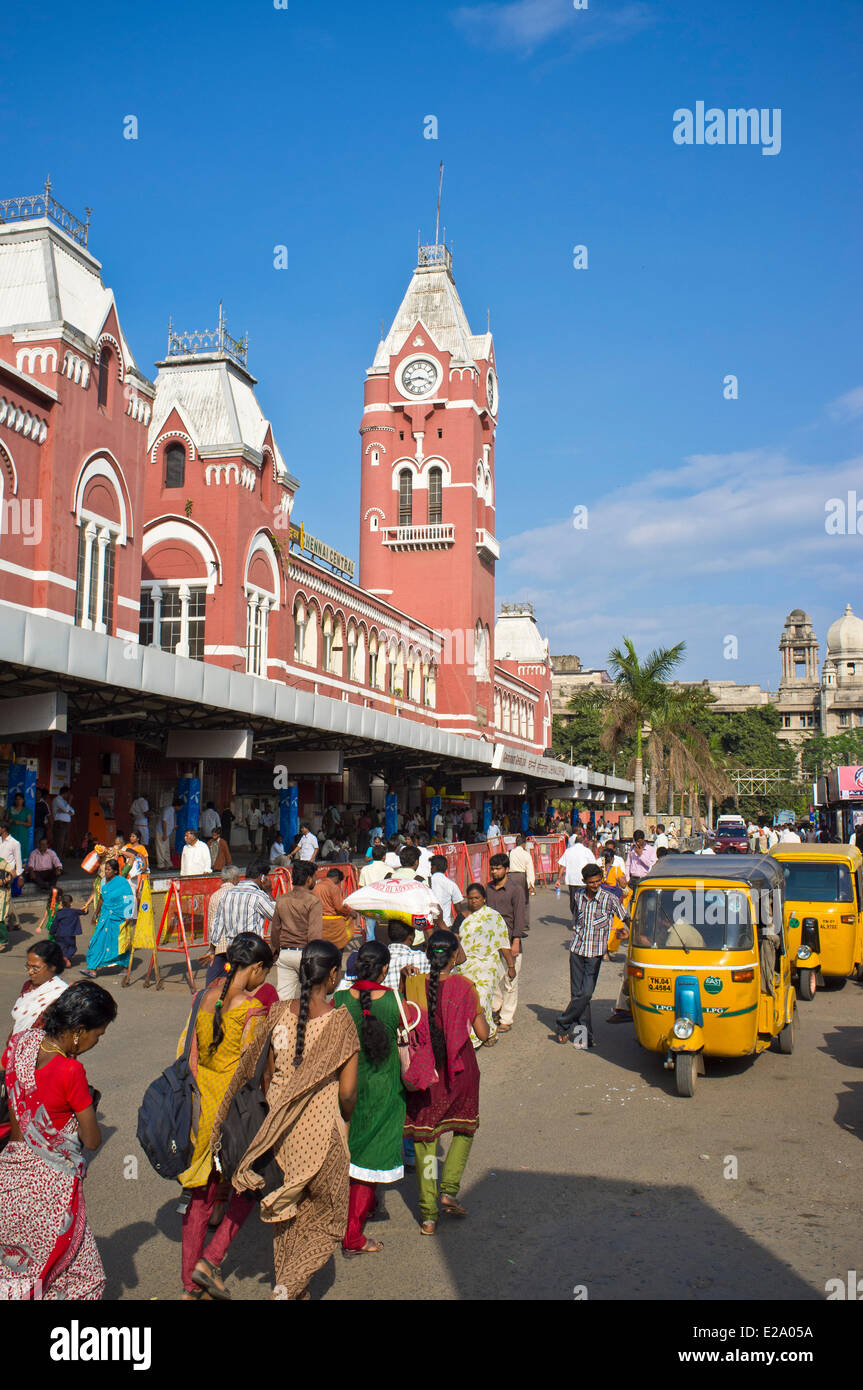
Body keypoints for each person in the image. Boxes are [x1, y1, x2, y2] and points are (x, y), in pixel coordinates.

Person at [215, 940, 359, 1300]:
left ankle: (295, 1289)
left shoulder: (277, 1013)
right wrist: (348, 1119)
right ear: (334, 976)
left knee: (288, 1216)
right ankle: (287, 1288)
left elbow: (262, 1074)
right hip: (322, 1132)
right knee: (329, 1220)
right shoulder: (341, 1022)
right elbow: (347, 1093)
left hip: (277, 1134)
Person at [0, 980, 117, 1299]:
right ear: (79, 1030)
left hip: (10, 1182)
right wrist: (85, 1104)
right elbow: (91, 1140)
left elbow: (14, 1109)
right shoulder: (70, 1072)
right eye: (98, 1034)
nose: (96, 1041)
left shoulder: (21, 1043)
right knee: (85, 1282)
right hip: (48, 1195)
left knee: (18, 1277)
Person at [175, 933, 274, 1300]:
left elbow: (189, 1053)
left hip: (200, 1105)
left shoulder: (203, 997)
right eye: (266, 972)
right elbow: (253, 1070)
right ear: (257, 968)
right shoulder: (252, 1009)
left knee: (199, 1196)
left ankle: (189, 1284)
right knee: (248, 1186)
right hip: (231, 1112)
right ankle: (211, 1259)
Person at [404, 929, 489, 1234]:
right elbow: (483, 1034)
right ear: (453, 955)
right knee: (464, 1128)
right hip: (460, 1071)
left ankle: (428, 1216)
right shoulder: (465, 987)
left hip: (425, 1073)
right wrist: (478, 1013)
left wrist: (407, 980)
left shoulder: (413, 984)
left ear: (429, 955)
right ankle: (449, 1189)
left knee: (425, 1140)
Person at [333, 940, 405, 1256]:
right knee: (368, 1161)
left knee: (350, 1155)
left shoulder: (338, 1000)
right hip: (384, 1089)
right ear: (386, 968)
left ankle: (354, 1216)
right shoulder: (393, 1002)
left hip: (343, 1088)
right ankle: (353, 1237)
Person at [555, 864, 630, 1048]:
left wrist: (628, 931)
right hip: (577, 950)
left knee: (586, 993)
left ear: (601, 880)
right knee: (578, 994)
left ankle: (564, 1023)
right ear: (584, 882)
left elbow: (626, 917)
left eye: (598, 881)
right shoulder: (578, 896)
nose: (595, 885)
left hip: (595, 954)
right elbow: (577, 917)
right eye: (591, 882)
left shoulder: (609, 899)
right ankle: (583, 1038)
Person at [455, 883, 513, 1048]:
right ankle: (471, 1032)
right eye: (470, 898)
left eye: (477, 898)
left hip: (487, 964)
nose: (473, 901)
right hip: (465, 965)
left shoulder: (493, 917)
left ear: (484, 899)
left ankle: (484, 1033)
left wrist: (510, 965)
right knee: (466, 999)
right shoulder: (462, 917)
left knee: (482, 997)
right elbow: (455, 940)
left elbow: (503, 941)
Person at [270, 860, 325, 1000]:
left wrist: (275, 951)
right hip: (305, 954)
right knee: (310, 999)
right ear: (308, 879)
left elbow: (275, 929)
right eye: (314, 877)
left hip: (285, 954)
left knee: (283, 999)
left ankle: (281, 1022)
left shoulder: (282, 899)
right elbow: (314, 935)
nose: (315, 880)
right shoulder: (313, 901)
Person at [487, 853, 527, 1034]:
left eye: (498, 868)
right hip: (490, 942)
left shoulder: (515, 889)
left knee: (511, 980)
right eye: (492, 868)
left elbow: (520, 916)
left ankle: (506, 1018)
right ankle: (495, 1008)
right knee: (494, 979)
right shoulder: (487, 889)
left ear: (506, 870)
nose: (494, 872)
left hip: (511, 939)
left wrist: (516, 941)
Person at [80, 858, 136, 978]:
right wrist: (96, 914)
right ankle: (92, 968)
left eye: (109, 869)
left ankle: (125, 967)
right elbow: (101, 898)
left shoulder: (122, 882)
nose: (106, 871)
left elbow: (129, 898)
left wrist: (128, 915)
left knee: (119, 942)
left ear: (115, 871)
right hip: (105, 916)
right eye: (105, 869)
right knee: (97, 940)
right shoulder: (103, 881)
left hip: (119, 917)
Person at [9, 940, 69, 1037]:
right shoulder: (28, 986)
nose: (30, 972)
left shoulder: (62, 995)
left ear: (52, 967)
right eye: (28, 967)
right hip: (16, 1045)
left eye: (36, 968)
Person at [200, 866, 244, 984]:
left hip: (219, 948)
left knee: (212, 984)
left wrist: (211, 950)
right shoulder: (240, 895)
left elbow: (211, 925)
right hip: (237, 947)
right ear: (235, 879)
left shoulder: (214, 896)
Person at [314, 869, 359, 952]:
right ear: (337, 878)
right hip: (332, 922)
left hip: (318, 921)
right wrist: (350, 913)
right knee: (337, 947)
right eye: (339, 881)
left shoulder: (316, 886)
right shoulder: (333, 887)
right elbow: (339, 908)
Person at [558, 836, 599, 913]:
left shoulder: (568, 851)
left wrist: (558, 879)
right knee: (584, 899)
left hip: (572, 880)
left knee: (573, 900)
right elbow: (593, 865)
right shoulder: (587, 851)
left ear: (574, 842)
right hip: (584, 879)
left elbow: (562, 866)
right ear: (583, 842)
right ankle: (581, 916)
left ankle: (575, 917)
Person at [430, 854, 467, 929]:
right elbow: (458, 909)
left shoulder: (427, 881)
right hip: (446, 925)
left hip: (429, 925)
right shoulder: (451, 884)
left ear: (434, 867)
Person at [51, 894, 86, 967]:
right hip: (70, 934)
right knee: (72, 948)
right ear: (71, 903)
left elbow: (55, 924)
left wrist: (52, 931)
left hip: (59, 934)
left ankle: (62, 959)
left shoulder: (59, 913)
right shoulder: (73, 911)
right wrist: (86, 909)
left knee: (62, 948)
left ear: (62, 903)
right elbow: (83, 912)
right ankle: (66, 958)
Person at [155, 798, 182, 870]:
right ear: (178, 806)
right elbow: (164, 821)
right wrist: (164, 834)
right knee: (161, 849)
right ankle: (161, 865)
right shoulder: (169, 810)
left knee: (166, 849)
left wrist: (172, 827)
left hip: (166, 832)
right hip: (162, 832)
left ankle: (168, 864)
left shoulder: (171, 810)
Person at [51, 786, 74, 859]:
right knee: (59, 843)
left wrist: (66, 810)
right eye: (68, 794)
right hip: (60, 824)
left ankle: (60, 860)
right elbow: (66, 809)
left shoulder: (64, 801)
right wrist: (69, 802)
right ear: (65, 793)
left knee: (64, 843)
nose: (69, 795)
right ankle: (56, 862)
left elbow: (72, 811)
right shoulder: (57, 800)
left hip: (65, 824)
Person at [8, 792, 32, 864]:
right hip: (12, 833)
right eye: (17, 799)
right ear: (14, 801)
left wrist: (20, 822)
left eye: (20, 799)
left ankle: (21, 871)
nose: (18, 801)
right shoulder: (10, 809)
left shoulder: (26, 810)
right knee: (11, 852)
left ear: (23, 800)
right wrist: (9, 820)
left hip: (22, 834)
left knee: (22, 850)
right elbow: (5, 822)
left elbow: (29, 824)